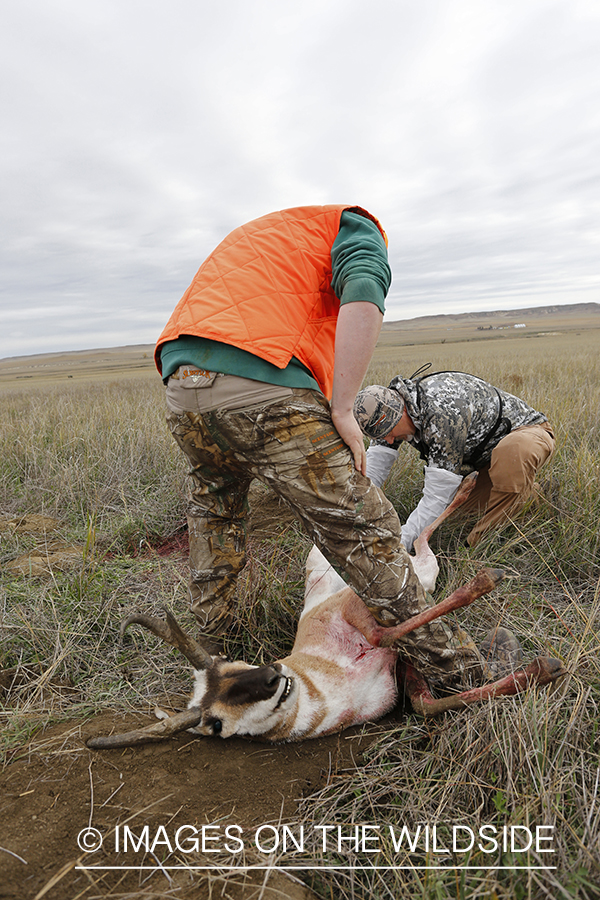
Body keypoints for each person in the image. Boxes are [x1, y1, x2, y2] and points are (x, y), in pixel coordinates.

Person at [154, 205, 510, 688]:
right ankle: (458, 671)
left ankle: (216, 650)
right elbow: (364, 292)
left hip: (181, 386)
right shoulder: (356, 225)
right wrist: (341, 407)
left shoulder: (261, 238)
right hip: (262, 379)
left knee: (215, 515)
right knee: (361, 530)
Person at [353, 369, 555, 550]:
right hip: (485, 462)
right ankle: (531, 495)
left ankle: (477, 548)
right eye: (380, 437)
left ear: (402, 411)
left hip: (528, 435)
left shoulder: (441, 413)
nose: (388, 440)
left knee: (512, 453)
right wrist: (353, 513)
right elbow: (373, 472)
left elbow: (436, 497)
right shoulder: (388, 410)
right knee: (454, 518)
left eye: (388, 433)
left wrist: (398, 545)